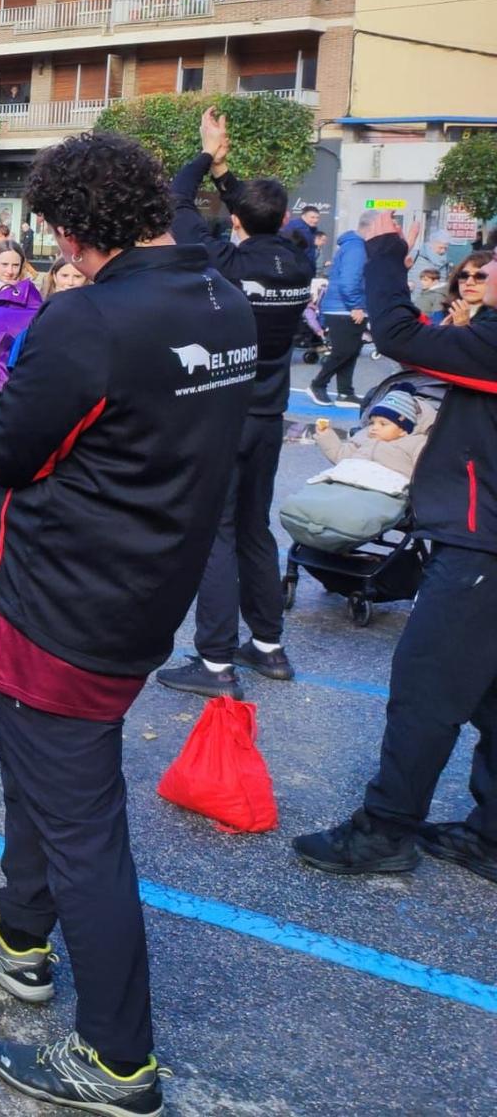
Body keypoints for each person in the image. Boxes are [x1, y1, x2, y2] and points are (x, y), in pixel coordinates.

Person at [0, 131, 254, 1115]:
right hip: (141, 584)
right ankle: (18, 934)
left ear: (69, 231)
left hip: (62, 595)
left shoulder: (87, 320)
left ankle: (118, 1056)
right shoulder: (219, 296)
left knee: (81, 824)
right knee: (37, 776)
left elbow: (4, 451)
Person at [294, 212, 497, 885]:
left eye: (487, 266)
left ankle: (385, 830)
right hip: (480, 541)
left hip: (481, 549)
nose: (479, 274)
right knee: (489, 695)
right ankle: (491, 834)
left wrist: (382, 251)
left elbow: (399, 334)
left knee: (426, 689)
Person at [154, 110, 314, 703]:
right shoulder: (297, 261)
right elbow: (257, 217)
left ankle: (216, 659)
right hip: (271, 415)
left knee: (215, 535)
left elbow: (176, 201)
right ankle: (268, 646)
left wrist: (206, 156)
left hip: (225, 415)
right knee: (254, 528)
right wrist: (228, 175)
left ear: (238, 220)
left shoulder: (224, 262)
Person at [309, 211, 376, 407]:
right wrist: (356, 305)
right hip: (344, 307)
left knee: (351, 350)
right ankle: (318, 384)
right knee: (344, 350)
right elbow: (349, 280)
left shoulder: (355, 245)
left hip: (344, 306)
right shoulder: (357, 248)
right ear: (372, 227)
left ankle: (345, 393)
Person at [312, 388, 431, 478]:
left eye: (383, 424)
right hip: (351, 479)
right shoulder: (364, 437)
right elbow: (340, 455)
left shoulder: (416, 443)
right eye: (373, 423)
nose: (374, 428)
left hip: (387, 487)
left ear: (403, 430)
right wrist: (326, 437)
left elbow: (424, 474)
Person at [282, 204, 321, 275]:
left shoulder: (312, 228)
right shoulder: (295, 227)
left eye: (317, 217)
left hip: (307, 266)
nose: (315, 220)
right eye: (312, 217)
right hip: (296, 268)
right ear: (303, 216)